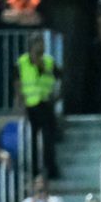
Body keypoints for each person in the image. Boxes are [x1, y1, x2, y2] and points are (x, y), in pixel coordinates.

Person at [16, 32, 61, 179]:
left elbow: (60, 77)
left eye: (41, 43)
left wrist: (58, 96)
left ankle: (51, 168)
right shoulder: (22, 62)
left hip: (46, 103)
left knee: (49, 137)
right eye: (37, 43)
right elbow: (17, 84)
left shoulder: (49, 61)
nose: (40, 46)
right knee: (33, 139)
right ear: (31, 46)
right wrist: (20, 103)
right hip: (31, 105)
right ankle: (35, 171)